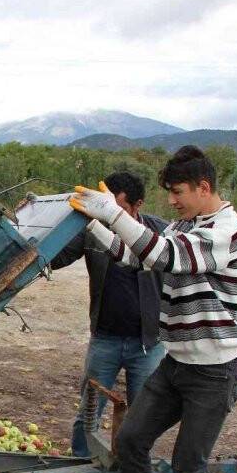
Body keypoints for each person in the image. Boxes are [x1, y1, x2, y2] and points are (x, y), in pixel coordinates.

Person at [69, 145, 237, 473]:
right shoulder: (187, 223)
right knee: (131, 440)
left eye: (179, 191)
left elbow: (166, 256)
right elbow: (140, 258)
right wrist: (95, 223)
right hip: (178, 363)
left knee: (189, 464)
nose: (172, 200)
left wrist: (114, 214)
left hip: (214, 369)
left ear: (204, 187)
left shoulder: (226, 229)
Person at [50, 171, 166, 458]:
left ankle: (132, 470)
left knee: (143, 416)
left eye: (119, 210)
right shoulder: (94, 229)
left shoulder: (160, 234)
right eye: (107, 207)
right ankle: (79, 462)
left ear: (138, 205)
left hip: (147, 344)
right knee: (89, 410)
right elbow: (57, 257)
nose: (111, 216)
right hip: (105, 340)